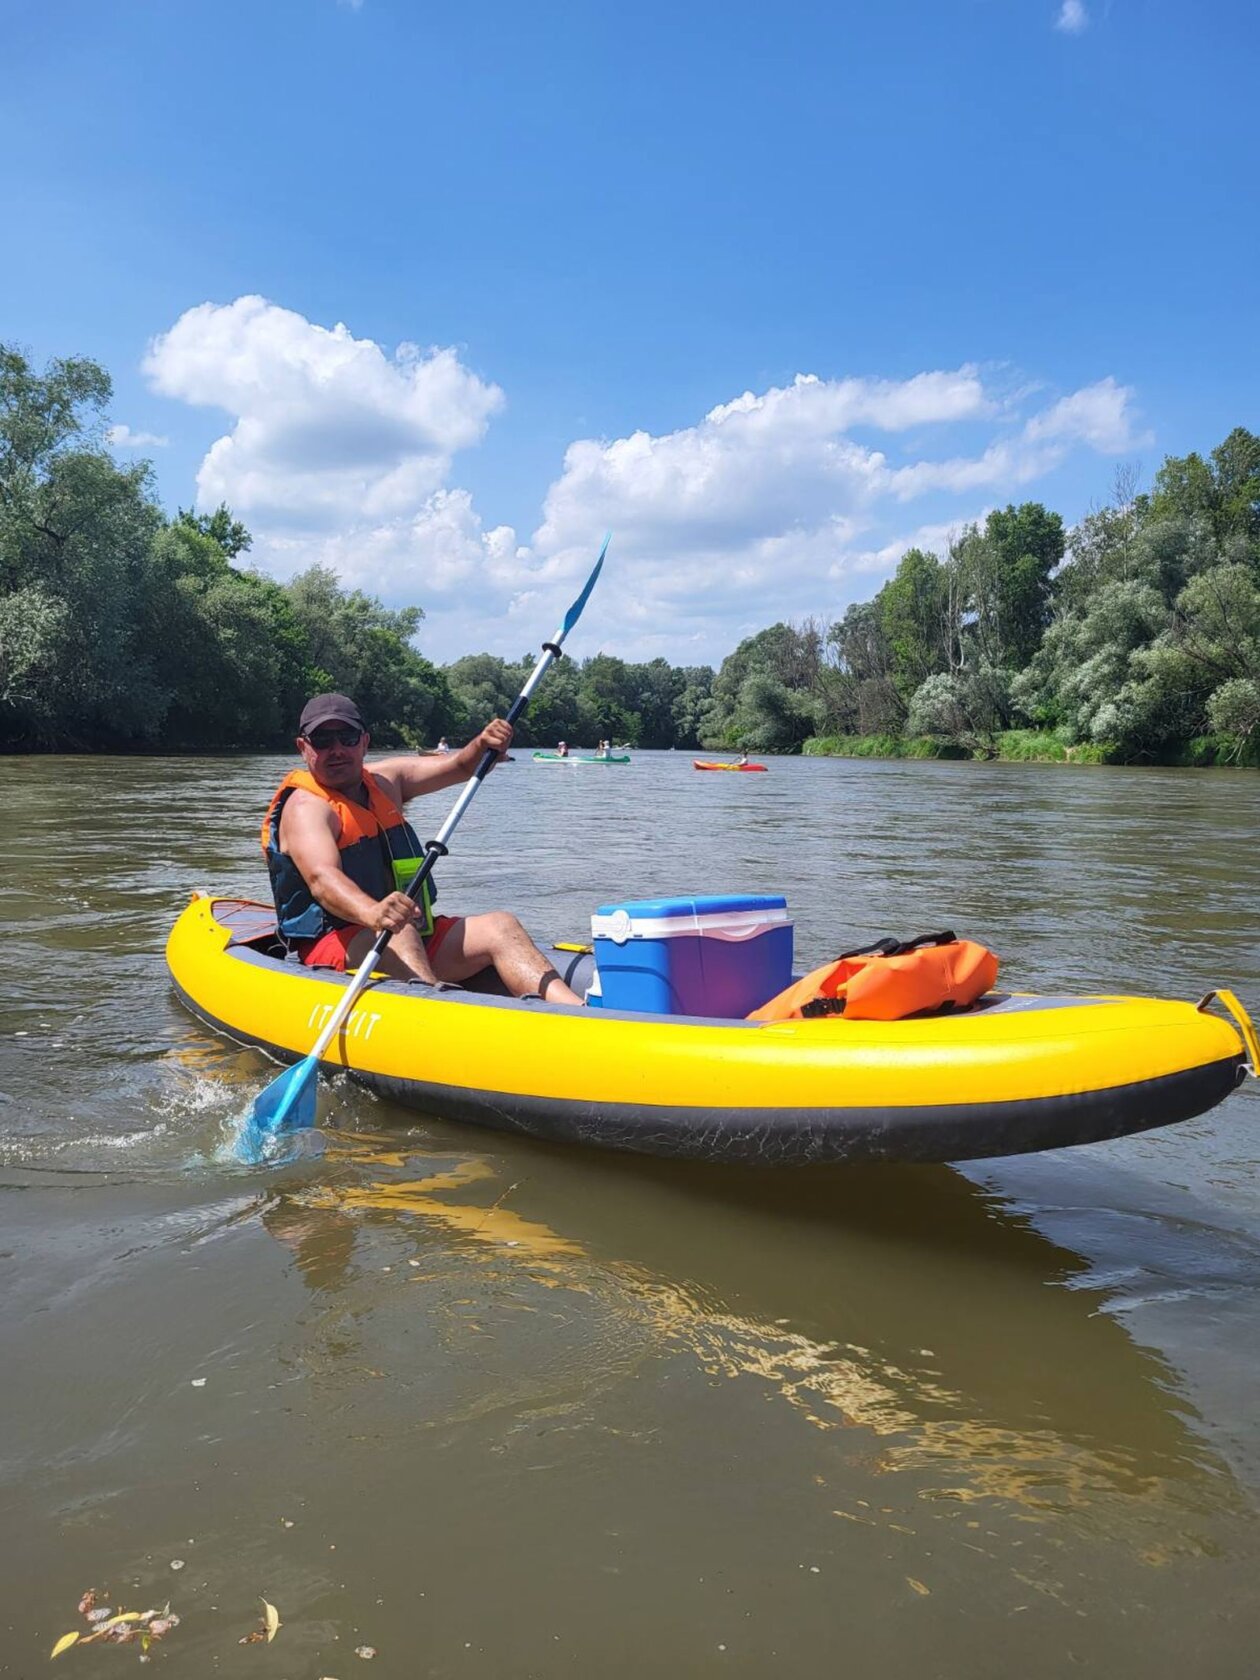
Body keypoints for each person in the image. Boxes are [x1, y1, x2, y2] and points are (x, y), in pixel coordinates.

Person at [261, 694, 582, 1004]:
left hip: (409, 936)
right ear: (304, 748)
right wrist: (372, 912)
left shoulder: (387, 781)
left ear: (364, 742)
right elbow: (322, 878)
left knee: (501, 925)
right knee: (399, 933)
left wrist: (483, 745)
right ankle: (437, 1015)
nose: (337, 750)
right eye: (323, 741)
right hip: (336, 944)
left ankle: (575, 1014)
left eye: (346, 737)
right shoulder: (306, 807)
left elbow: (459, 766)